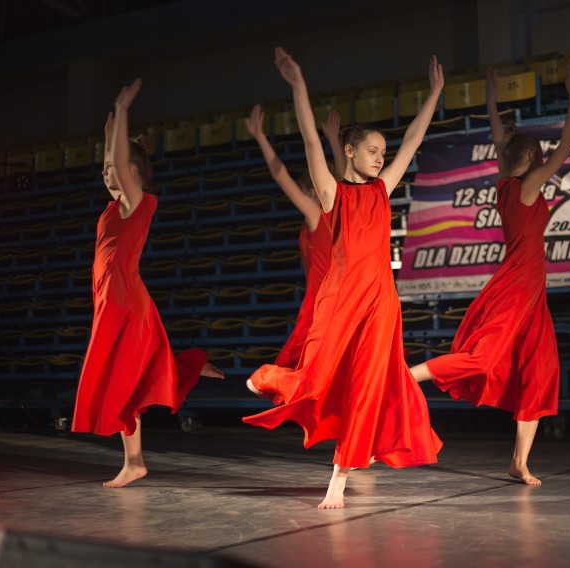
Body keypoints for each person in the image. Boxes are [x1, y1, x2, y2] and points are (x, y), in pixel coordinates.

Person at [243, 48, 444, 509]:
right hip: (340, 301)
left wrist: (433, 93)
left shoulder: (382, 189)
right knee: (317, 380)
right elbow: (313, 144)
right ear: (350, 151)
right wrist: (298, 86)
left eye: (383, 153)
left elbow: (413, 140)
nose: (380, 158)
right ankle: (273, 377)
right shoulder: (333, 194)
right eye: (372, 151)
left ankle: (339, 477)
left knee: (368, 387)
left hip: (380, 305)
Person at [410, 61, 570, 486]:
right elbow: (568, 143)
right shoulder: (525, 186)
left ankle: (518, 462)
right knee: (484, 357)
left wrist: (491, 102)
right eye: (532, 153)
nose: (536, 156)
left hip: (530, 289)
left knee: (541, 373)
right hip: (518, 283)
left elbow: (499, 138)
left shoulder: (507, 181)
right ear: (527, 158)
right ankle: (402, 377)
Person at [72, 78, 223, 488]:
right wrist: (110, 134)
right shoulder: (114, 204)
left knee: (123, 382)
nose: (108, 174)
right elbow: (116, 161)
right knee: (127, 383)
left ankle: (137, 454)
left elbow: (121, 165)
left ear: (135, 172)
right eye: (103, 170)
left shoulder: (138, 203)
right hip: (111, 301)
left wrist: (121, 113)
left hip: (125, 303)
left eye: (115, 167)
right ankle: (136, 458)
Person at [243, 104, 342, 373]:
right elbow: (345, 180)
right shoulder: (340, 212)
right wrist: (333, 141)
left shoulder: (316, 212)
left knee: (309, 366)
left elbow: (280, 175)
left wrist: (261, 137)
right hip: (338, 296)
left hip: (322, 300)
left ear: (311, 191)